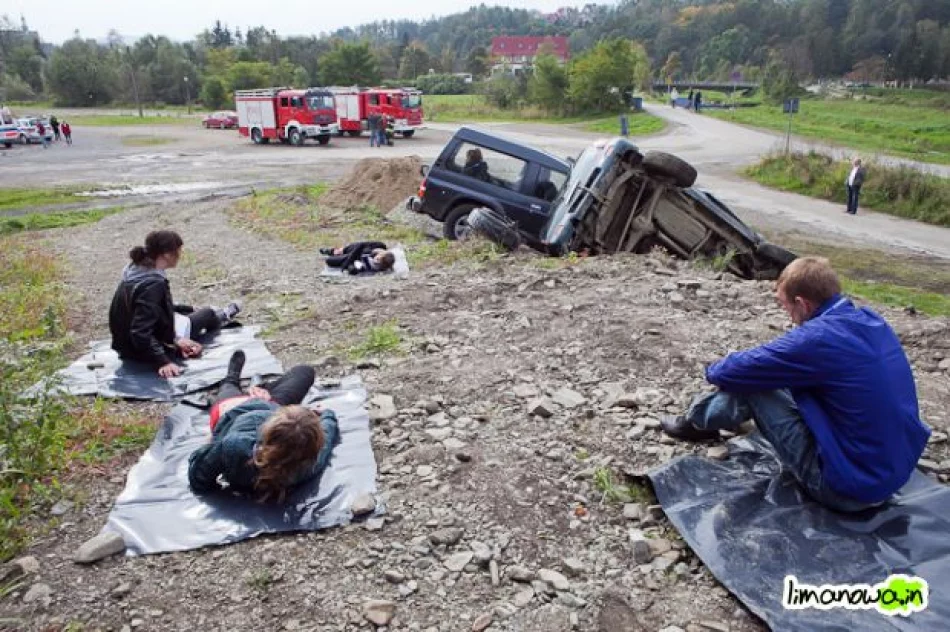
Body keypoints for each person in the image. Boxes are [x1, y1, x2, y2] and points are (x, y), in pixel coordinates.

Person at [660, 257, 930, 513]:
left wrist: (712, 369)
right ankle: (708, 419)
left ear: (802, 304)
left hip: (849, 491)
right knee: (777, 375)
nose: (787, 315)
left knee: (754, 385)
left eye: (784, 305)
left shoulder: (817, 338)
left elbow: (731, 371)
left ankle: (695, 421)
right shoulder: (872, 323)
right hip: (892, 476)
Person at [188, 350, 340, 502]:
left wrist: (210, 444)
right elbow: (327, 438)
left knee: (228, 388)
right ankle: (260, 388)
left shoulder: (234, 446)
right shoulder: (307, 466)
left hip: (234, 409)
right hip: (270, 404)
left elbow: (198, 477)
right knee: (304, 372)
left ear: (268, 429)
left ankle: (232, 376)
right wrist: (327, 414)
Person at [109, 230, 241, 378]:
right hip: (139, 351)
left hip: (125, 347)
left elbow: (151, 310)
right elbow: (140, 332)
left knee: (186, 313)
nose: (180, 254)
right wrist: (164, 360)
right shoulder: (153, 283)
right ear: (167, 254)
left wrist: (176, 339)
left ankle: (220, 314)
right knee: (208, 313)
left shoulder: (134, 271)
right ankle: (222, 316)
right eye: (179, 250)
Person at [320, 241, 396, 275]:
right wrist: (347, 261)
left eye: (379, 262)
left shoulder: (382, 263)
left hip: (356, 260)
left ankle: (337, 254)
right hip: (354, 251)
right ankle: (332, 251)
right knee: (342, 253)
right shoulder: (380, 245)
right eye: (378, 258)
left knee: (352, 270)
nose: (376, 260)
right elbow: (360, 245)